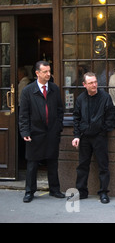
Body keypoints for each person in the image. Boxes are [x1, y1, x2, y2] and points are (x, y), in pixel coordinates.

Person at [19, 61, 64, 203]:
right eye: (45, 72)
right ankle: (29, 191)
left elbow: (59, 110)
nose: (48, 74)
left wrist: (58, 127)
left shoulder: (55, 89)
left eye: (49, 71)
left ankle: (54, 189)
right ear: (37, 73)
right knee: (32, 163)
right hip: (35, 132)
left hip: (51, 131)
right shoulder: (28, 91)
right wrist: (25, 131)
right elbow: (23, 114)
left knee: (52, 161)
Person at [72, 72, 115, 204]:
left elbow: (111, 117)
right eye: (91, 83)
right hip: (84, 137)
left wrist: (102, 130)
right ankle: (81, 191)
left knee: (103, 166)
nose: (94, 85)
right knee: (82, 166)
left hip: (99, 137)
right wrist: (76, 135)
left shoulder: (105, 97)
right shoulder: (80, 99)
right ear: (84, 85)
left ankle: (103, 192)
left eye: (95, 82)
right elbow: (76, 118)